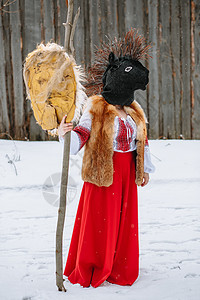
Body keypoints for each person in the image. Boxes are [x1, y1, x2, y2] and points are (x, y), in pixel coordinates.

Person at [58, 29, 155, 288]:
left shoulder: (134, 109)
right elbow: (83, 133)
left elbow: (142, 140)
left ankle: (120, 263)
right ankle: (96, 263)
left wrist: (143, 168)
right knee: (101, 221)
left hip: (126, 173)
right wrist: (66, 135)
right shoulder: (97, 106)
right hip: (103, 173)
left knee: (123, 222)